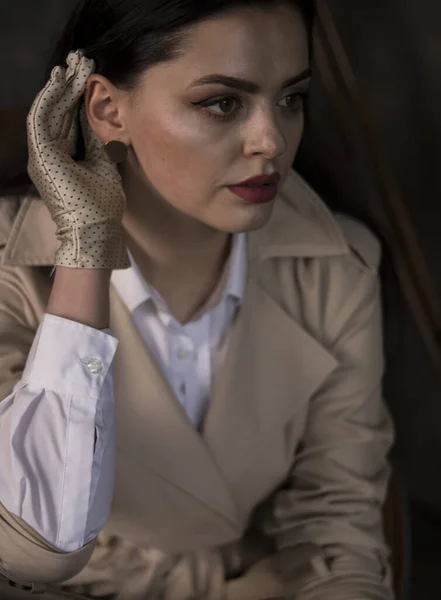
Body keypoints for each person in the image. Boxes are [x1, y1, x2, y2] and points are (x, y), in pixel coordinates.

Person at [0, 0, 395, 598]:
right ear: (108, 109)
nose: (271, 142)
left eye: (291, 99)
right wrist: (86, 245)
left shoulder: (337, 268)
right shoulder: (9, 271)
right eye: (222, 103)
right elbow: (34, 551)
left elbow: (339, 519)